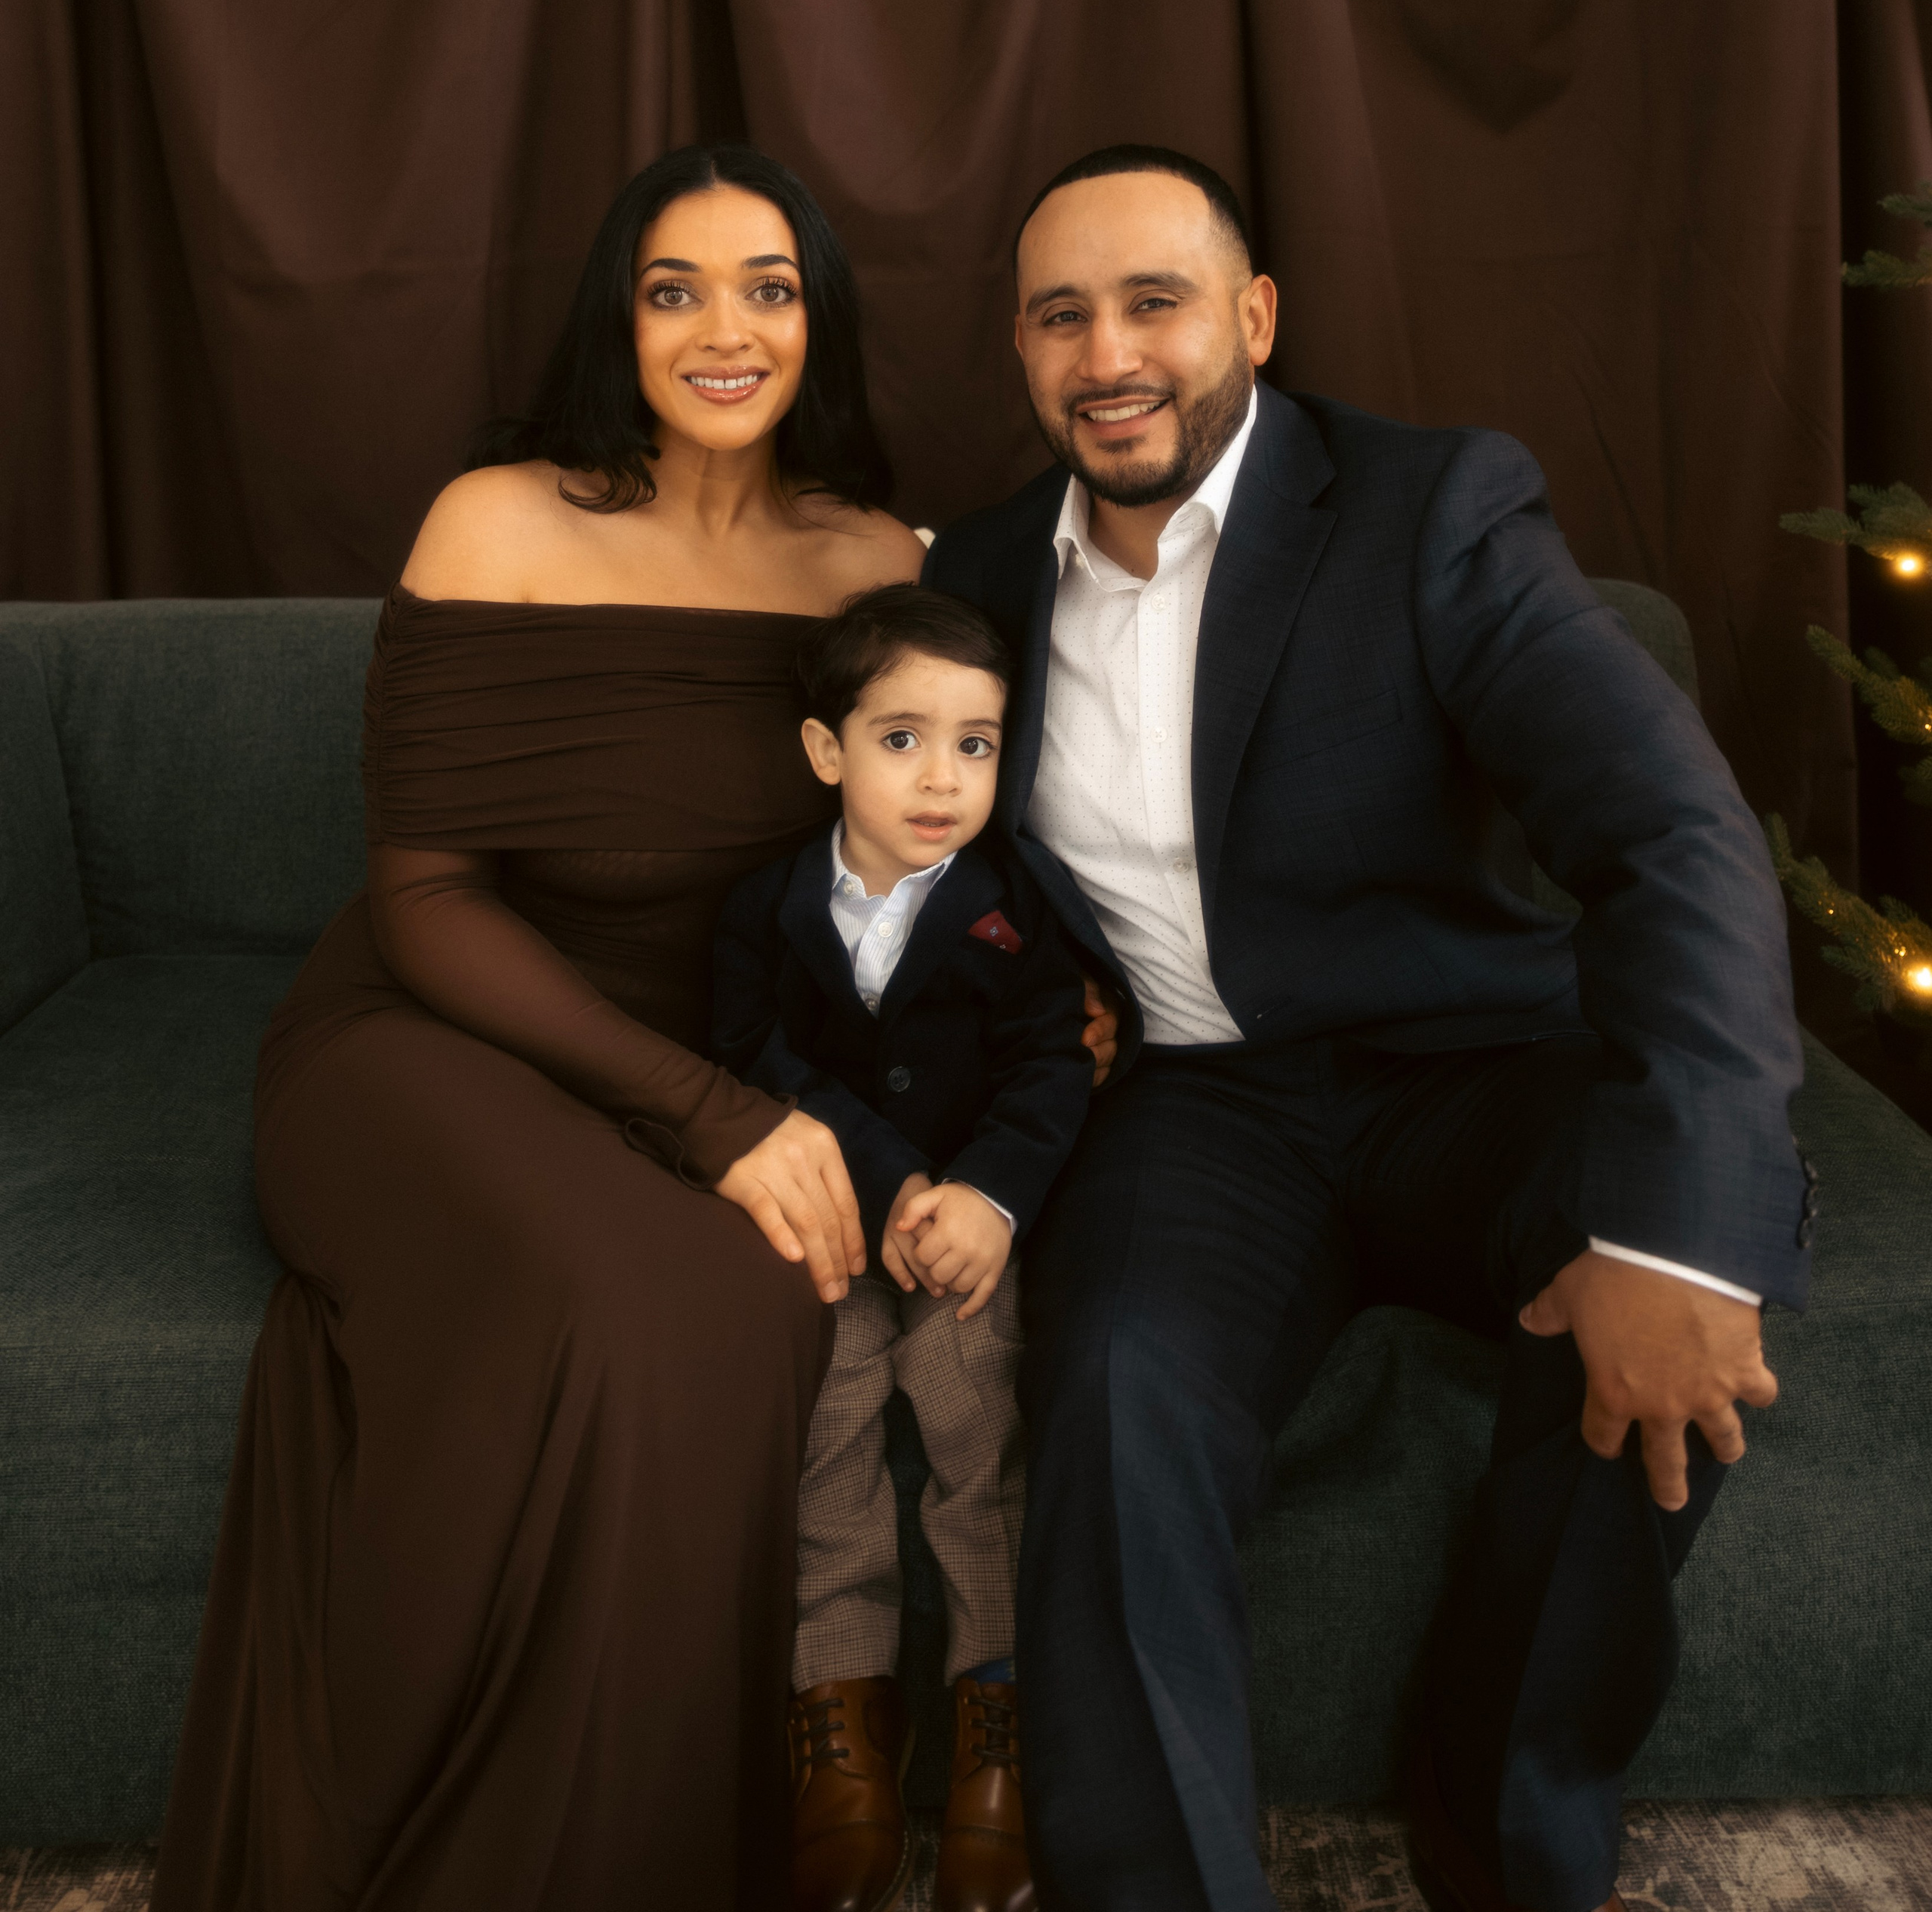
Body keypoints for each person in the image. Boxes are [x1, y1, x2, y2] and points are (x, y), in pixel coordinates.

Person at [922, 144, 1819, 1912]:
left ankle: (1498, 1834)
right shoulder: (974, 573)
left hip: (1478, 1070)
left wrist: (1675, 1227)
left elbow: (1666, 833)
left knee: (1645, 1315)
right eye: (1059, 315)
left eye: (1154, 301)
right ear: (1020, 353)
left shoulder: (1432, 509)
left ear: (1251, 316)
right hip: (1200, 1114)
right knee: (1110, 1395)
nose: (1107, 352)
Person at [152, 144, 931, 1912]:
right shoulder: (495, 519)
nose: (722, 328)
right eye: (675, 289)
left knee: (755, 1298)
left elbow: (922, 840)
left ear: (821, 321)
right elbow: (429, 901)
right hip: (427, 1032)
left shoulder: (874, 559)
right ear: (621, 319)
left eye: (768, 287)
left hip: (697, 1063)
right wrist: (720, 1122)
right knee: (627, 1289)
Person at [713, 583, 1095, 1912]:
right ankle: (844, 1717)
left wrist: (986, 1198)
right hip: (833, 1219)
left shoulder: (1012, 906)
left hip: (967, 1234)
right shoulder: (764, 907)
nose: (942, 779)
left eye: (976, 745)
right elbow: (752, 1059)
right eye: (901, 740)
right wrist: (888, 1183)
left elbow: (1053, 1068)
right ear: (828, 751)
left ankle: (994, 1708)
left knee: (976, 1421)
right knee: (827, 1414)